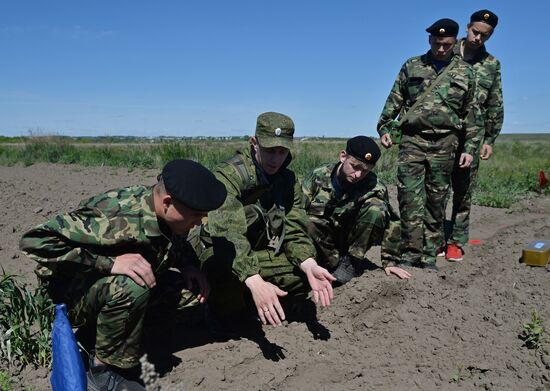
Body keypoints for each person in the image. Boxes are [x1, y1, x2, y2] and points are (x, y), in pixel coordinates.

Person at [20, 159, 227, 391]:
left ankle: (115, 336)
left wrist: (188, 265)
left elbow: (173, 241)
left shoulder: (168, 215)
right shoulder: (115, 216)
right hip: (72, 297)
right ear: (167, 203)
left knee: (189, 292)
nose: (199, 223)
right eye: (196, 216)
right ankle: (102, 372)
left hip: (105, 292)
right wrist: (110, 263)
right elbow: (34, 241)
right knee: (130, 285)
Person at [190, 111, 335, 329]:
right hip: (221, 250)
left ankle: (257, 299)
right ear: (254, 143)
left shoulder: (288, 180)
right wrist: (253, 279)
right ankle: (227, 309)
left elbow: (294, 229)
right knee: (224, 277)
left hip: (258, 250)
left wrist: (308, 263)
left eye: (282, 151)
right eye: (269, 151)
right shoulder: (229, 175)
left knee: (303, 275)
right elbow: (226, 233)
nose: (276, 159)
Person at [376, 18, 482, 270]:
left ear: (455, 42)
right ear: (429, 40)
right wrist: (384, 128)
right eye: (437, 43)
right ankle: (410, 252)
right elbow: (393, 102)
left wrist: (469, 148)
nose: (441, 49)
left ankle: (428, 255)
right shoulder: (412, 66)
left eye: (446, 44)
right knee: (409, 198)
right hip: (413, 140)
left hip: (446, 143)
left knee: (436, 200)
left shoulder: (465, 73)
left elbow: (472, 116)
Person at [301, 136, 411, 284]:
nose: (358, 175)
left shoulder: (375, 186)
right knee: (307, 220)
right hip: (321, 241)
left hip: (350, 239)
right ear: (343, 156)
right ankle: (331, 263)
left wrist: (390, 261)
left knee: (376, 208)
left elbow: (391, 221)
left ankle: (351, 263)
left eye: (365, 171)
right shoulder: (318, 176)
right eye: (355, 166)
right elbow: (297, 211)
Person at [443, 9, 503, 262]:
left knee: (463, 191)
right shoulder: (444, 52)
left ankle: (456, 242)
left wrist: (490, 139)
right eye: (475, 32)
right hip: (442, 134)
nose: (478, 38)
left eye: (485, 35)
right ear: (467, 27)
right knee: (435, 189)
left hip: (474, 135)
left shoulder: (491, 64)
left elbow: (495, 103)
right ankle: (433, 238)